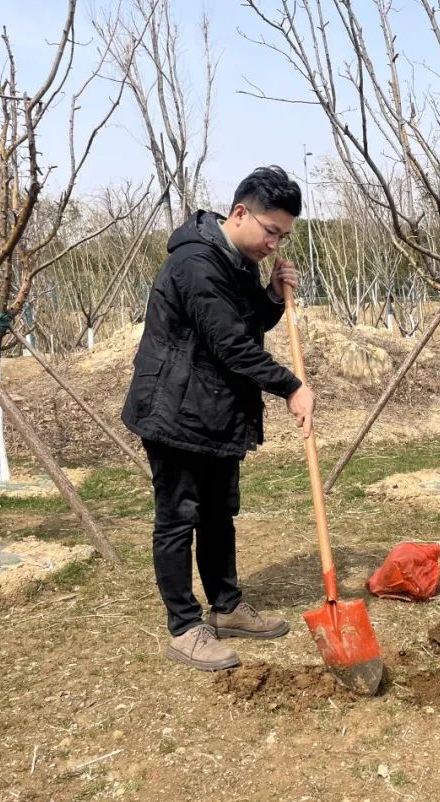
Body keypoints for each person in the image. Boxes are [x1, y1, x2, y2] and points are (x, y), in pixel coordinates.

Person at [122, 166, 316, 671]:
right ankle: (185, 627)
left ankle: (226, 607)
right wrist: (291, 386)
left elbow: (246, 325)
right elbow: (231, 346)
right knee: (178, 517)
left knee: (217, 513)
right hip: (174, 409)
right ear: (240, 213)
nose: (274, 244)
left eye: (282, 236)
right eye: (270, 231)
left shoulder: (238, 262)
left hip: (213, 408)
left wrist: (269, 296)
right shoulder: (196, 263)